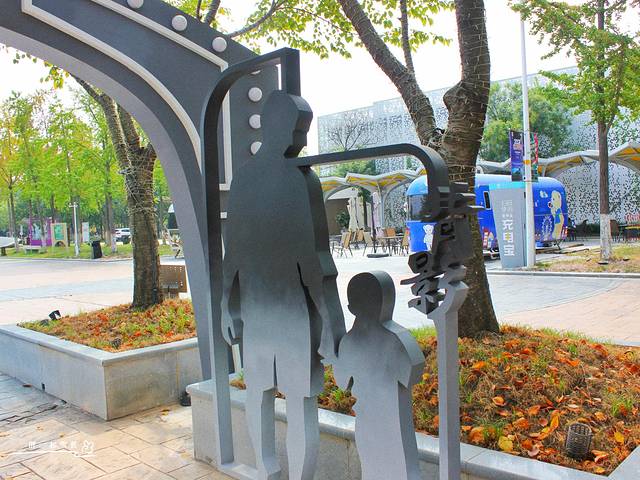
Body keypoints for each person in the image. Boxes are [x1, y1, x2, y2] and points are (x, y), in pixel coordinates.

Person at [221, 90, 346, 480]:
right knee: (288, 398)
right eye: (298, 130)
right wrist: (330, 322)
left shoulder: (245, 179)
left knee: (274, 396)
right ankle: (271, 472)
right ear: (277, 126)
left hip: (264, 310)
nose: (303, 141)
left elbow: (233, 252)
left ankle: (272, 472)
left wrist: (229, 305)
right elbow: (313, 261)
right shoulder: (299, 181)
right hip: (288, 312)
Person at [333, 271, 424, 480]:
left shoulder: (349, 342)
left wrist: (334, 357)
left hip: (374, 418)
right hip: (388, 419)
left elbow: (342, 381)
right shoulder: (397, 340)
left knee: (373, 466)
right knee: (396, 468)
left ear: (351, 307)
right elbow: (411, 374)